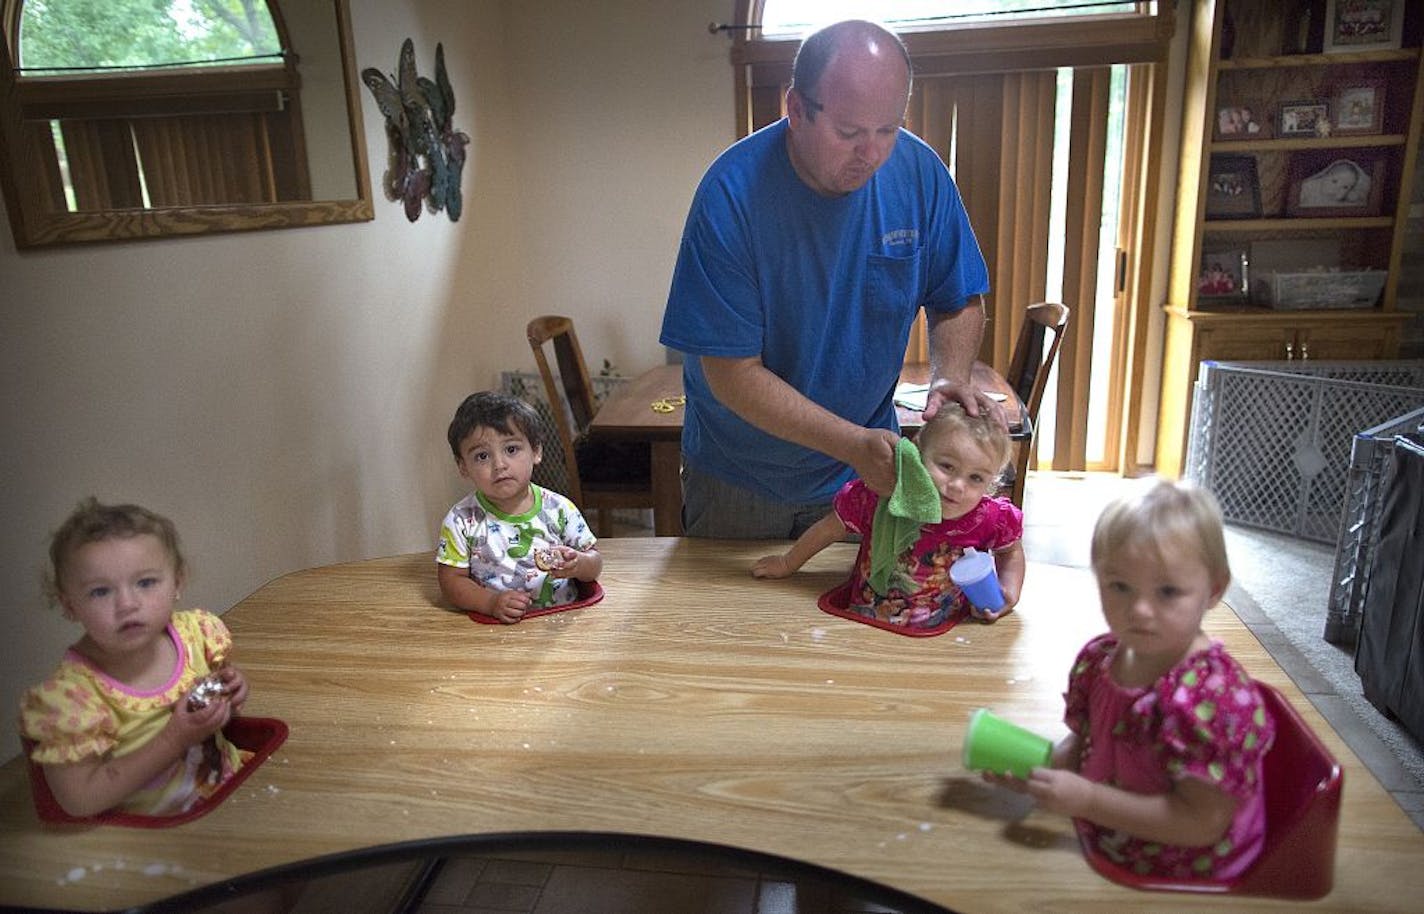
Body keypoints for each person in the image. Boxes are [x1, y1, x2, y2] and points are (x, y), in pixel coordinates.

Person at [659, 19, 1001, 539]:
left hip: (866, 470)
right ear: (796, 109)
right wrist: (851, 444)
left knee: (868, 610)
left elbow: (957, 296)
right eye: (850, 133)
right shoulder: (730, 196)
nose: (874, 153)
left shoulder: (919, 173)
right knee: (733, 622)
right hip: (743, 478)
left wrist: (949, 375)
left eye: (888, 128)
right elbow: (731, 373)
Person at [983, 479, 1276, 881]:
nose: (1139, 610)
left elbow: (1202, 824)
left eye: (1168, 592)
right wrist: (1041, 772)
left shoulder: (1210, 700)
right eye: (1119, 586)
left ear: (1214, 589)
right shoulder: (1100, 658)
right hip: (1107, 828)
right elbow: (1088, 743)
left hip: (1185, 865)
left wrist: (1088, 800)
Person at [19, 499, 250, 817]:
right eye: (101, 591)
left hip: (232, 794)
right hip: (155, 840)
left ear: (178, 582)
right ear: (70, 606)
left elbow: (223, 720)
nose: (127, 604)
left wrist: (232, 694)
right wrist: (175, 738)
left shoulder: (198, 635)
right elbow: (79, 801)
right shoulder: (73, 699)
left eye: (145, 582)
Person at [752, 404, 1025, 627]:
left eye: (975, 477)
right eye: (946, 466)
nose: (956, 485)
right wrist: (788, 562)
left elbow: (1010, 552)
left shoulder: (990, 518)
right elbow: (830, 528)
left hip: (943, 636)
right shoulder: (881, 495)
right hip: (863, 622)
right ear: (916, 454)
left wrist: (1008, 592)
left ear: (991, 483)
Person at [436, 391, 602, 623]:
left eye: (511, 449)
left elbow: (595, 564)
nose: (499, 465)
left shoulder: (560, 509)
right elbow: (451, 582)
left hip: (564, 623)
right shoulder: (461, 520)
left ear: (536, 451)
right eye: (482, 456)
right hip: (499, 630)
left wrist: (579, 563)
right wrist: (490, 602)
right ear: (463, 467)